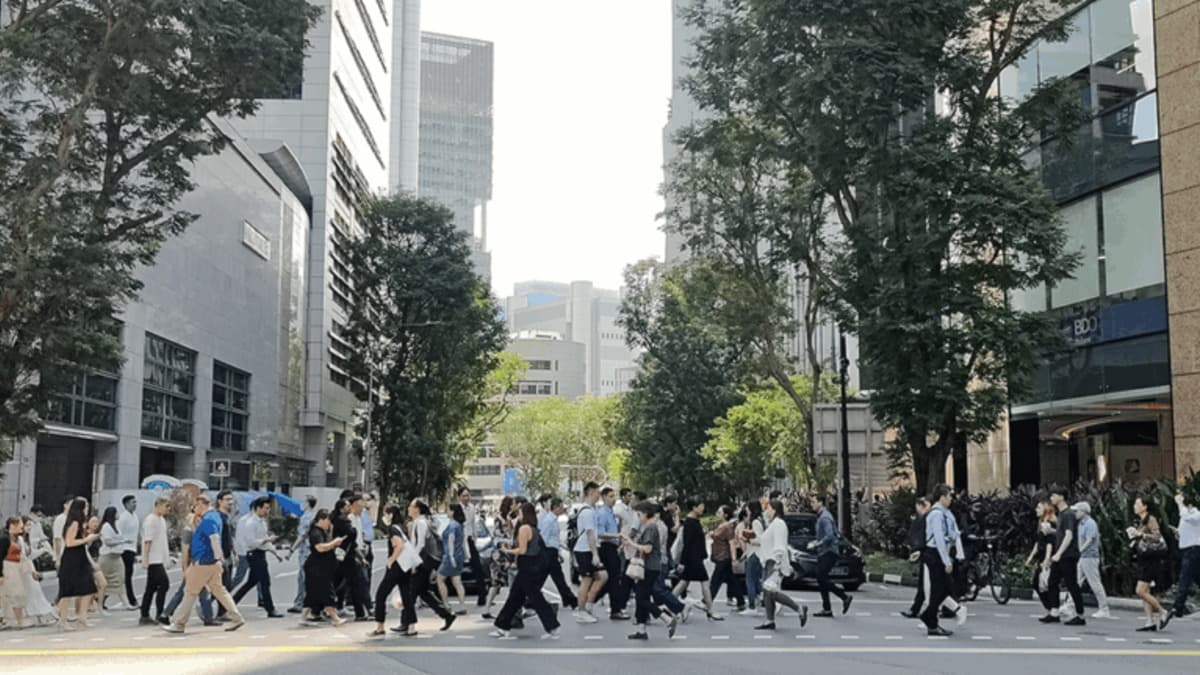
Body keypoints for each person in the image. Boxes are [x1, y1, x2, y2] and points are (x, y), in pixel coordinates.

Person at [162, 494, 245, 634]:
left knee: (189, 592)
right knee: (220, 590)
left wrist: (217, 558)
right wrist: (218, 560)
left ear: (201, 504)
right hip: (210, 562)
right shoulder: (215, 517)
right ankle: (237, 617)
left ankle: (179, 623)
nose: (194, 510)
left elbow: (214, 538)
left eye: (195, 506)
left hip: (204, 562)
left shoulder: (208, 519)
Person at [489, 502, 560, 639]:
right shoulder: (534, 528)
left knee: (533, 598)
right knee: (516, 597)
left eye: (520, 513)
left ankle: (553, 626)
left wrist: (506, 550)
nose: (519, 516)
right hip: (534, 567)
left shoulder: (524, 528)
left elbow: (522, 550)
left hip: (527, 566)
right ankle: (502, 626)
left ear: (524, 514)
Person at [624, 502, 680, 641]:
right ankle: (642, 630)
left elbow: (647, 548)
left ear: (645, 513)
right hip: (651, 566)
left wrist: (631, 543)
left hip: (649, 567)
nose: (638, 517)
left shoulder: (650, 527)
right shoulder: (651, 526)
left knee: (641, 598)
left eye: (639, 514)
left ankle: (666, 618)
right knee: (642, 597)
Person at [754, 499, 808, 631]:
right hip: (769, 560)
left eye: (768, 509)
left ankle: (798, 608)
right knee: (768, 592)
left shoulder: (778, 524)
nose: (766, 512)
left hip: (774, 561)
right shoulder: (773, 524)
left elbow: (779, 545)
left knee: (770, 591)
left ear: (774, 509)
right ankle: (769, 620)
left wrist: (777, 564)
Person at [161, 499, 215, 627]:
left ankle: (167, 614)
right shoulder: (188, 530)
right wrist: (185, 569)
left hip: (199, 563)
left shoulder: (198, 526)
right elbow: (185, 551)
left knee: (198, 591)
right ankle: (168, 614)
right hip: (193, 565)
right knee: (190, 591)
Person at [408, 499, 457, 631]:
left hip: (421, 563)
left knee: (411, 593)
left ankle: (406, 622)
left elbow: (420, 545)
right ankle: (446, 615)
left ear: (417, 509)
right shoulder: (420, 522)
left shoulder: (421, 522)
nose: (409, 509)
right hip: (423, 562)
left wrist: (413, 562)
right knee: (424, 592)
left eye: (411, 506)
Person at [232, 496, 282, 618]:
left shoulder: (262, 522)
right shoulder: (250, 522)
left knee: (251, 582)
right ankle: (270, 609)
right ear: (258, 508)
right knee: (265, 582)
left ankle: (229, 605)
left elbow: (265, 541)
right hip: (253, 554)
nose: (267, 511)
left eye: (269, 508)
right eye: (265, 508)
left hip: (260, 554)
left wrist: (275, 553)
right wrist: (266, 539)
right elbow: (251, 542)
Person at [1042, 487, 1085, 626]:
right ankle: (1054, 612)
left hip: (1068, 555)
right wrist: (1052, 531)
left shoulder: (1068, 514)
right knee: (1052, 582)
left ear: (1061, 497)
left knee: (1072, 584)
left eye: (1053, 495)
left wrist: (1059, 553)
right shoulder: (1061, 514)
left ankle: (1080, 615)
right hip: (1061, 555)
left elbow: (1069, 535)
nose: (1051, 499)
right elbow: (1062, 533)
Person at [673, 499, 722, 621]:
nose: (702, 509)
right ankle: (710, 610)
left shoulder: (694, 521)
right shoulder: (690, 523)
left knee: (683, 583)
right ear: (694, 508)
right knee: (705, 583)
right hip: (693, 559)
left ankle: (669, 604)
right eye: (700, 506)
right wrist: (683, 562)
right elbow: (687, 544)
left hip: (693, 558)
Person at [1128, 495, 1171, 632]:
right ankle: (1149, 621)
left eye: (1137, 503)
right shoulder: (1141, 521)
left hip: (1151, 560)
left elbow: (1157, 536)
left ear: (1145, 506)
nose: (1134, 506)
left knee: (1140, 590)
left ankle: (1162, 611)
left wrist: (1141, 535)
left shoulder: (1150, 519)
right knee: (1145, 591)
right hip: (1144, 559)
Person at [372, 504, 415, 636]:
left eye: (386, 514)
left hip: (396, 566)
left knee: (381, 595)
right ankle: (411, 626)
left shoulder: (393, 529)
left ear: (390, 515)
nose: (384, 517)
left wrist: (391, 559)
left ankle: (380, 626)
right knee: (406, 595)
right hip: (405, 566)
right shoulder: (402, 527)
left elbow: (399, 546)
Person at [56, 497, 98, 631]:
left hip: (80, 556)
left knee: (89, 586)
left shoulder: (80, 523)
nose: (87, 510)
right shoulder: (73, 523)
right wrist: (87, 539)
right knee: (67, 591)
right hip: (72, 557)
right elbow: (69, 542)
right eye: (85, 507)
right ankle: (62, 620)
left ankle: (82, 616)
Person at [807, 495, 852, 618]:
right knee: (821, 579)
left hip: (829, 552)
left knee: (821, 577)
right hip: (824, 552)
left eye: (813, 501)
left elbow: (830, 535)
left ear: (820, 503)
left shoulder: (825, 518)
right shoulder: (822, 516)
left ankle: (844, 596)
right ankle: (827, 609)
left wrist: (817, 543)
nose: (812, 504)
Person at [919, 485, 956, 637]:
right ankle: (930, 618)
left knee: (942, 589)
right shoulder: (936, 514)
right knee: (941, 588)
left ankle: (931, 620)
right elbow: (939, 538)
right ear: (942, 497)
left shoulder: (942, 513)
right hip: (934, 554)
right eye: (949, 497)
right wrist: (946, 560)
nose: (951, 500)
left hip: (936, 553)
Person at [302, 509, 347, 627]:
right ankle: (335, 618)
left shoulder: (322, 531)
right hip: (317, 568)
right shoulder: (315, 532)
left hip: (322, 567)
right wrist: (333, 543)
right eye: (328, 520)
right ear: (321, 519)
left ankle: (303, 617)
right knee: (327, 592)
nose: (329, 523)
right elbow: (320, 547)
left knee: (312, 593)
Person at [572, 482, 607, 623]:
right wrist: (595, 554)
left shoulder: (591, 510)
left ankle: (588, 606)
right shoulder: (587, 512)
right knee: (586, 580)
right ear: (591, 492)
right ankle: (581, 611)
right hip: (584, 549)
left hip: (588, 549)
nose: (599, 495)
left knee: (602, 576)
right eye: (598, 492)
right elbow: (590, 534)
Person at [137, 497, 172, 625]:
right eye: (166, 506)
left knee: (151, 588)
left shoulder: (161, 520)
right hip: (153, 559)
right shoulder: (151, 520)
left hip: (159, 558)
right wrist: (145, 559)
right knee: (164, 584)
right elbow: (148, 541)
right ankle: (159, 613)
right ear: (157, 505)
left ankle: (145, 614)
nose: (168, 509)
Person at [1072, 501, 1110, 619]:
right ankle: (1069, 605)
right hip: (1083, 557)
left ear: (1083, 512)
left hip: (1090, 557)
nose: (1075, 513)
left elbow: (1090, 540)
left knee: (1095, 583)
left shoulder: (1090, 523)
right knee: (1076, 582)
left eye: (1077, 511)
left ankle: (1104, 608)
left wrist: (1080, 550)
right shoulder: (1081, 524)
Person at [596, 487, 630, 620]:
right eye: (610, 496)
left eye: (614, 496)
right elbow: (600, 533)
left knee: (612, 579)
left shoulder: (611, 512)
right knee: (614, 579)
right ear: (603, 497)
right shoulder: (603, 513)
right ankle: (615, 610)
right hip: (606, 547)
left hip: (613, 546)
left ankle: (591, 600)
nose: (613, 499)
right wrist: (617, 535)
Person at [16, 516, 56, 626]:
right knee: (32, 592)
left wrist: (42, 550)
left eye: (31, 525)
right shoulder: (19, 539)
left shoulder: (24, 539)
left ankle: (40, 616)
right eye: (27, 525)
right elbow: (23, 556)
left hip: (28, 567)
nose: (29, 528)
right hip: (25, 569)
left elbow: (30, 555)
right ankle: (38, 616)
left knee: (35, 592)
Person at [539, 497, 577, 609]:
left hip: (552, 551)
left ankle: (568, 599)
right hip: (548, 552)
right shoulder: (548, 520)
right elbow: (544, 538)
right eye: (561, 507)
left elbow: (554, 539)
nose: (562, 509)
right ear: (555, 507)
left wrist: (559, 551)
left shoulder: (553, 519)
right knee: (556, 577)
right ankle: (570, 599)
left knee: (556, 577)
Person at [481, 496, 514, 618]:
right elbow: (505, 536)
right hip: (502, 554)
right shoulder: (503, 519)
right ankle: (510, 610)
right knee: (506, 581)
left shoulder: (503, 518)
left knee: (496, 583)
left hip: (500, 553)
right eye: (512, 504)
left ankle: (487, 608)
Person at [708, 505, 745, 613]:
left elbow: (732, 543)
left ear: (725, 515)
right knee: (732, 580)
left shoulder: (727, 527)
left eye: (719, 512)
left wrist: (733, 559)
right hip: (720, 556)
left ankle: (707, 600)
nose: (717, 514)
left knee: (715, 580)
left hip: (723, 557)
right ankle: (741, 601)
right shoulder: (722, 525)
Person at [456, 487, 489, 607]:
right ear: (459, 497)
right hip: (459, 540)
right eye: (464, 495)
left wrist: (474, 539)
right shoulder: (457, 508)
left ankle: (482, 595)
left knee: (477, 567)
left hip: (469, 539)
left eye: (468, 495)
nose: (466, 498)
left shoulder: (471, 508)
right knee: (455, 569)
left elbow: (473, 524)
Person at [901, 497, 932, 619]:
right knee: (926, 584)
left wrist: (917, 550)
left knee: (931, 585)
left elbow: (919, 537)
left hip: (930, 554)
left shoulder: (926, 518)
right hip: (929, 554)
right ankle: (917, 609)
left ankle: (954, 608)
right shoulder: (927, 518)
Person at [1172, 491, 1200, 618]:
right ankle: (1178, 607)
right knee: (1194, 578)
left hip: (1193, 550)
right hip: (1187, 550)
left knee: (1184, 579)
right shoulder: (1186, 516)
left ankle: (1178, 608)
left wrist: (1179, 503)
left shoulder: (1195, 514)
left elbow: (1185, 516)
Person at [288, 495, 318, 613]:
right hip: (311, 549)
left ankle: (301, 603)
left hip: (305, 550)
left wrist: (291, 550)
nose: (301, 503)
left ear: (308, 503)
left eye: (303, 501)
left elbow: (302, 535)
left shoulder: (306, 517)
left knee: (303, 577)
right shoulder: (314, 515)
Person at [437, 503, 469, 613]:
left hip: (450, 556)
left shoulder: (452, 526)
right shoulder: (460, 525)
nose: (447, 512)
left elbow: (451, 541)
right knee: (457, 581)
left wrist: (450, 557)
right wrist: (467, 555)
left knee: (440, 579)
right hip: (459, 555)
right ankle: (463, 605)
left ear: (453, 512)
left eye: (449, 510)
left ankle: (446, 604)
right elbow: (463, 542)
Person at [97, 506, 127, 611]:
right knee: (104, 581)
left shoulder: (116, 526)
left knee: (120, 578)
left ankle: (126, 603)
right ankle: (99, 601)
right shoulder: (106, 526)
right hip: (107, 557)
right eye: (116, 512)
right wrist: (120, 541)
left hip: (117, 556)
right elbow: (107, 541)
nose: (118, 514)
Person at [1, 517, 28, 629]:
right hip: (7, 566)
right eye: (20, 525)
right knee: (7, 594)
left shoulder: (17, 538)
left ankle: (18, 620)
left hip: (16, 567)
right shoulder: (4, 538)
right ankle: (10, 620)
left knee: (17, 594)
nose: (22, 528)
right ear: (13, 525)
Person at [117, 495, 140, 609]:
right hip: (124, 549)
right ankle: (132, 600)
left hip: (131, 548)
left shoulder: (135, 516)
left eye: (135, 502)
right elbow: (118, 533)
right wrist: (124, 541)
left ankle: (103, 596)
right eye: (132, 502)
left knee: (125, 575)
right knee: (126, 575)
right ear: (126, 504)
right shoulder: (123, 517)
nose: (135, 504)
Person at [51, 495, 73, 570]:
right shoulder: (60, 519)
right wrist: (58, 558)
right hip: (62, 554)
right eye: (71, 504)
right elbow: (57, 539)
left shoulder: (72, 518)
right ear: (65, 505)